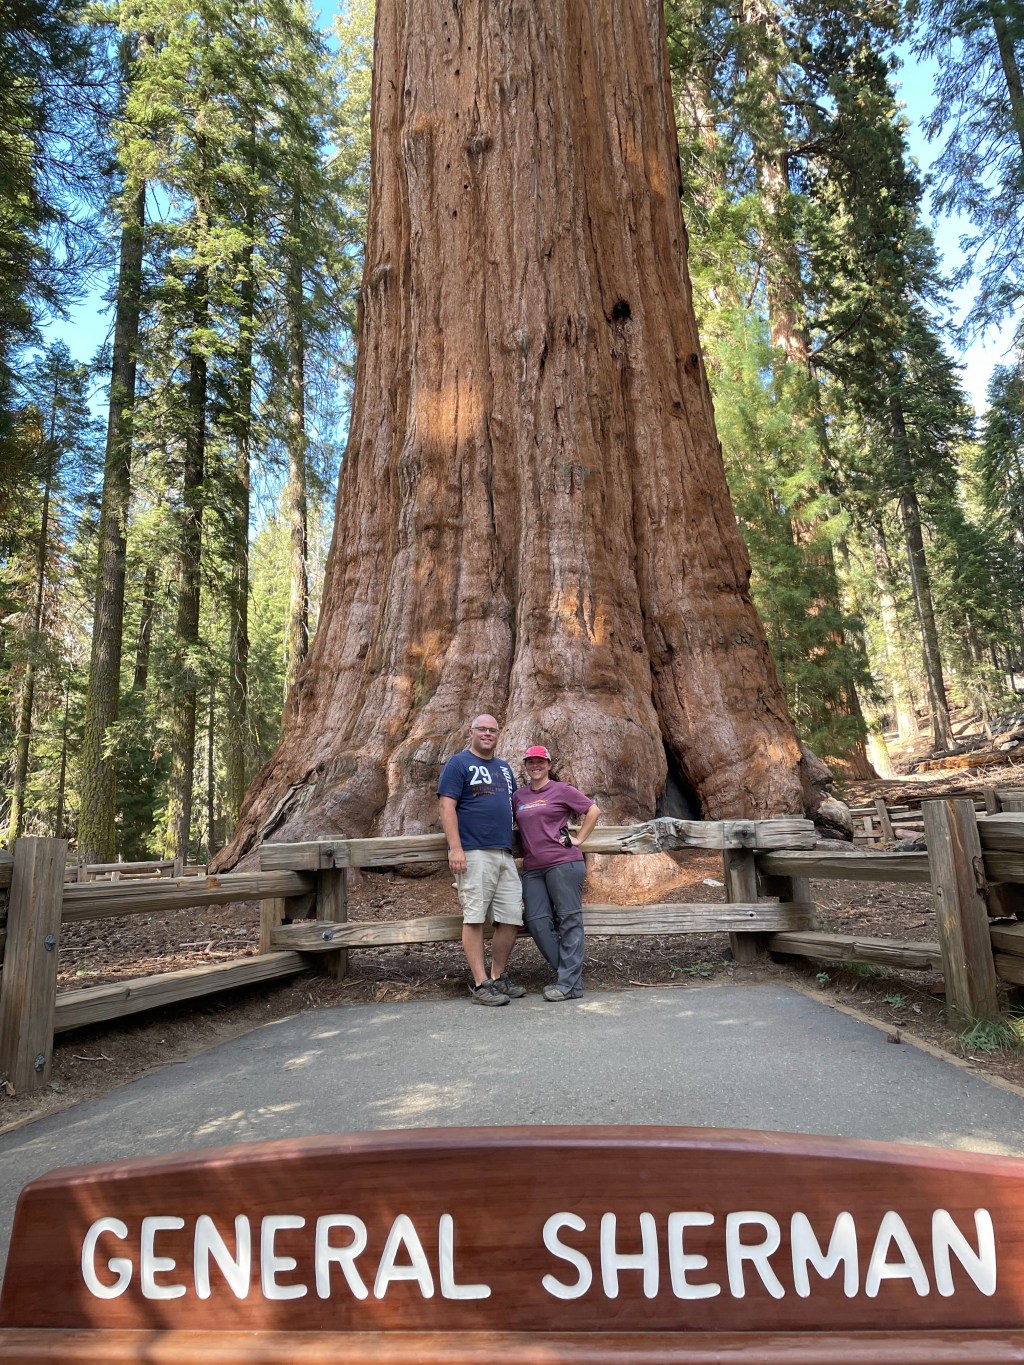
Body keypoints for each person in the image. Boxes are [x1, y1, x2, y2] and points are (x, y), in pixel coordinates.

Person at [437, 713, 527, 1006]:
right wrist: (456, 848)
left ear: (498, 734)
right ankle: (480, 984)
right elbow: (447, 806)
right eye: (482, 729)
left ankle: (498, 977)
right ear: (471, 732)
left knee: (512, 917)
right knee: (474, 916)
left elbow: (512, 808)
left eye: (493, 730)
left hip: (504, 853)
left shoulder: (504, 769)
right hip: (474, 852)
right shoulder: (458, 764)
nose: (488, 733)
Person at [513, 746, 600, 1001]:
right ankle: (570, 979)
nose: (535, 766)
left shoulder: (562, 790)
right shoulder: (519, 796)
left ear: (549, 764)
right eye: (531, 762)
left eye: (540, 761)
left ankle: (567, 984)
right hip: (533, 868)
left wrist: (579, 839)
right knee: (537, 922)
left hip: (563, 863)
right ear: (526, 766)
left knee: (569, 920)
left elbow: (593, 810)